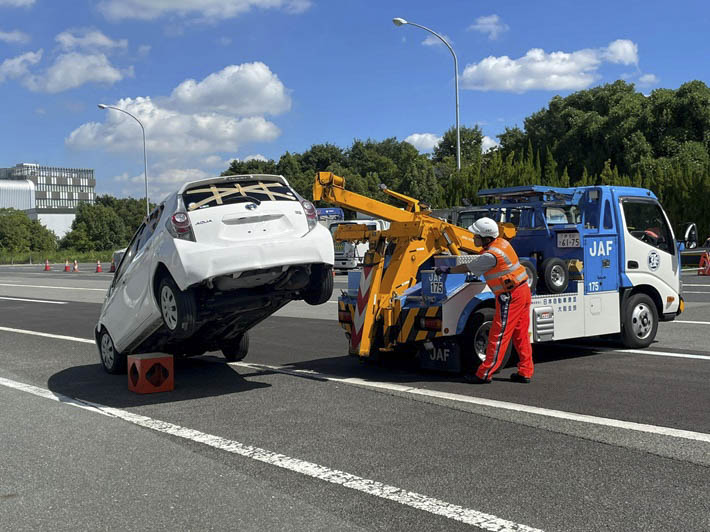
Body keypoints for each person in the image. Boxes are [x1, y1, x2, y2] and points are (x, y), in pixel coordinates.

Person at [436, 217, 534, 384]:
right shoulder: (501, 244)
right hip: (522, 291)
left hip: (510, 296)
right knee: (520, 334)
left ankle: (484, 373)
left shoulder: (491, 255)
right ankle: (525, 371)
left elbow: (469, 267)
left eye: (476, 236)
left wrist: (447, 269)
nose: (473, 238)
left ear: (486, 238)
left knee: (498, 335)